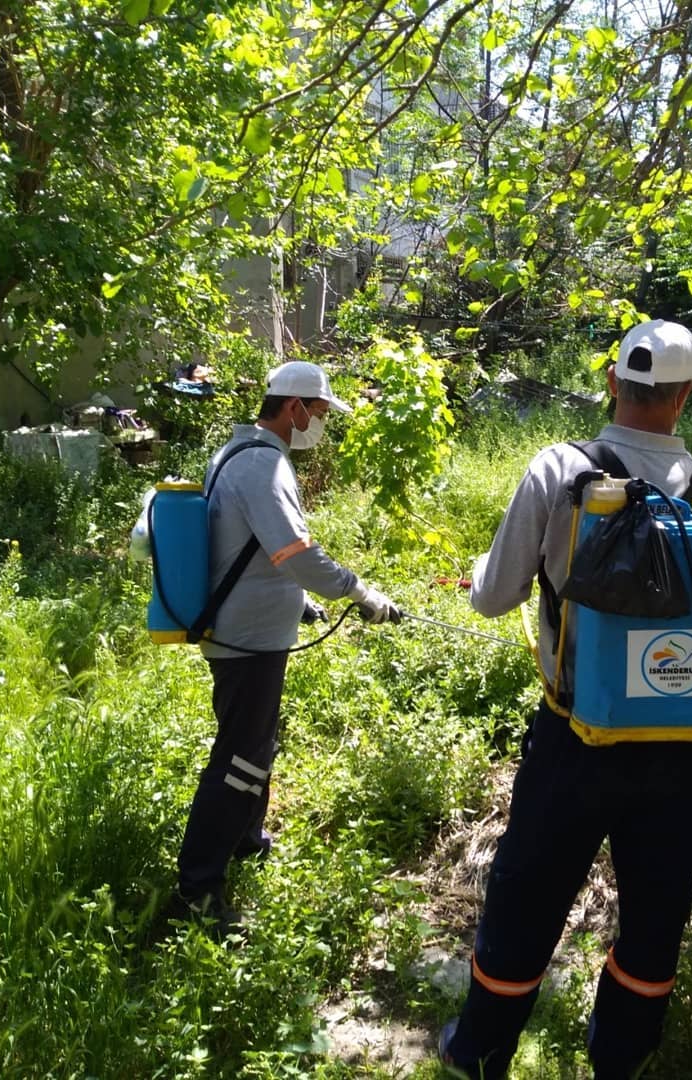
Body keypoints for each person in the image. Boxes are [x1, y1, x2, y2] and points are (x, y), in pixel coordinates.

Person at [439, 320, 692, 1079]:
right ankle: (619, 1061)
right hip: (681, 750)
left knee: (527, 894)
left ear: (613, 384)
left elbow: (496, 597)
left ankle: (477, 1053)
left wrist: (483, 573)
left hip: (576, 740)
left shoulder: (559, 469)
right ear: (684, 399)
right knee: (656, 908)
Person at [175, 359, 401, 934]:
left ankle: (247, 839)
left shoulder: (242, 453)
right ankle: (199, 888)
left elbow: (245, 546)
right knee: (239, 758)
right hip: (248, 640)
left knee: (256, 743)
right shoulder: (262, 466)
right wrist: (361, 592)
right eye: (320, 413)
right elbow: (294, 554)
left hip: (251, 628)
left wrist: (298, 601)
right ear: (294, 407)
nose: (320, 424)